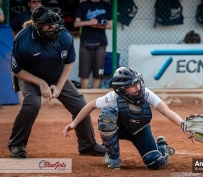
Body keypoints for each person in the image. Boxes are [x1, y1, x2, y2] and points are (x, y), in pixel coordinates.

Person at [9, 5, 105, 158]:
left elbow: (68, 63)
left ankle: (88, 145)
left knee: (80, 104)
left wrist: (59, 86)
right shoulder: (23, 39)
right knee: (32, 104)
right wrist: (41, 83)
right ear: (35, 25)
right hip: (30, 76)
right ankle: (17, 145)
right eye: (47, 24)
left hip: (55, 75)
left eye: (53, 23)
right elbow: (17, 70)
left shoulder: (64, 36)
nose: (52, 28)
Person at [62, 67, 190, 170]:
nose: (137, 88)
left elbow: (166, 110)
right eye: (132, 86)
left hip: (140, 129)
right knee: (106, 116)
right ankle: (113, 157)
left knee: (154, 161)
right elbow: (90, 105)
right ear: (121, 89)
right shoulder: (113, 97)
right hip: (120, 129)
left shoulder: (145, 93)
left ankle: (162, 147)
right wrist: (74, 123)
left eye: (137, 84)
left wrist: (184, 125)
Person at [74, 0, 113, 89]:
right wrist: (88, 22)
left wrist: (101, 25)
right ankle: (84, 101)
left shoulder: (106, 5)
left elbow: (111, 25)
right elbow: (76, 23)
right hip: (85, 41)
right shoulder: (83, 5)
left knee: (98, 74)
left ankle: (95, 101)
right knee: (84, 74)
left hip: (101, 41)